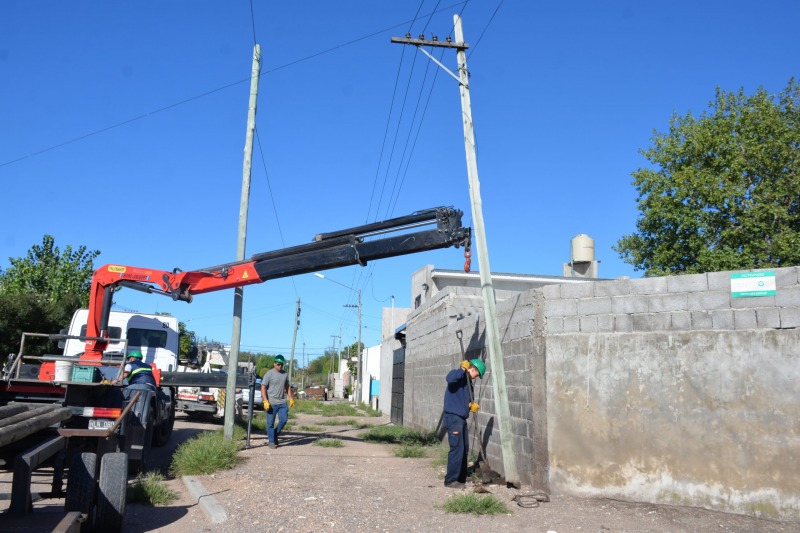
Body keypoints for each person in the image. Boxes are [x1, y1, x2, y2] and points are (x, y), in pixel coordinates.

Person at [441, 358, 485, 488]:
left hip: (461, 419)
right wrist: (462, 369)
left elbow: (462, 399)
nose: (476, 377)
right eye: (477, 374)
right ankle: (450, 480)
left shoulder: (468, 384)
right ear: (473, 369)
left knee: (464, 448)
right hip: (453, 418)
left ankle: (460, 478)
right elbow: (449, 379)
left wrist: (470, 406)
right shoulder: (458, 376)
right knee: (457, 448)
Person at [260, 354, 294, 449]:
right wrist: (265, 401)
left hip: (282, 402)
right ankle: (271, 441)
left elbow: (287, 386)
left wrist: (290, 398)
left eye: (282, 364)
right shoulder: (269, 374)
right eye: (278, 364)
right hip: (271, 403)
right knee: (270, 423)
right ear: (274, 363)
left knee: (284, 420)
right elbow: (263, 387)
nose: (280, 366)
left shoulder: (285, 374)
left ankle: (274, 435)